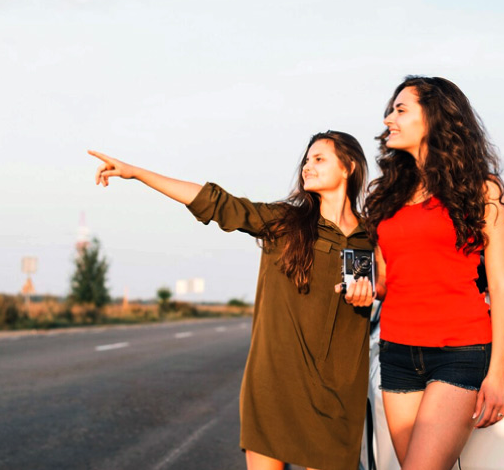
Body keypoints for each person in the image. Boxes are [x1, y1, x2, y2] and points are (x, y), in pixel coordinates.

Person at [89, 130, 374, 470]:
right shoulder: (284, 223)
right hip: (276, 384)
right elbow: (217, 202)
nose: (306, 167)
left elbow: (381, 290)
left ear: (349, 168)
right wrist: (136, 172)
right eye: (306, 160)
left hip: (336, 396)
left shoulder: (366, 239)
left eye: (319, 159)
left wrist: (369, 289)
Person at [364, 76, 504, 470]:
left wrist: (497, 374)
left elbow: (500, 285)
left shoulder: (482, 189)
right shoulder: (387, 196)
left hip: (459, 352)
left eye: (400, 109)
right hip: (396, 351)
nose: (387, 120)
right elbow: (385, 281)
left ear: (433, 116)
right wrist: (360, 288)